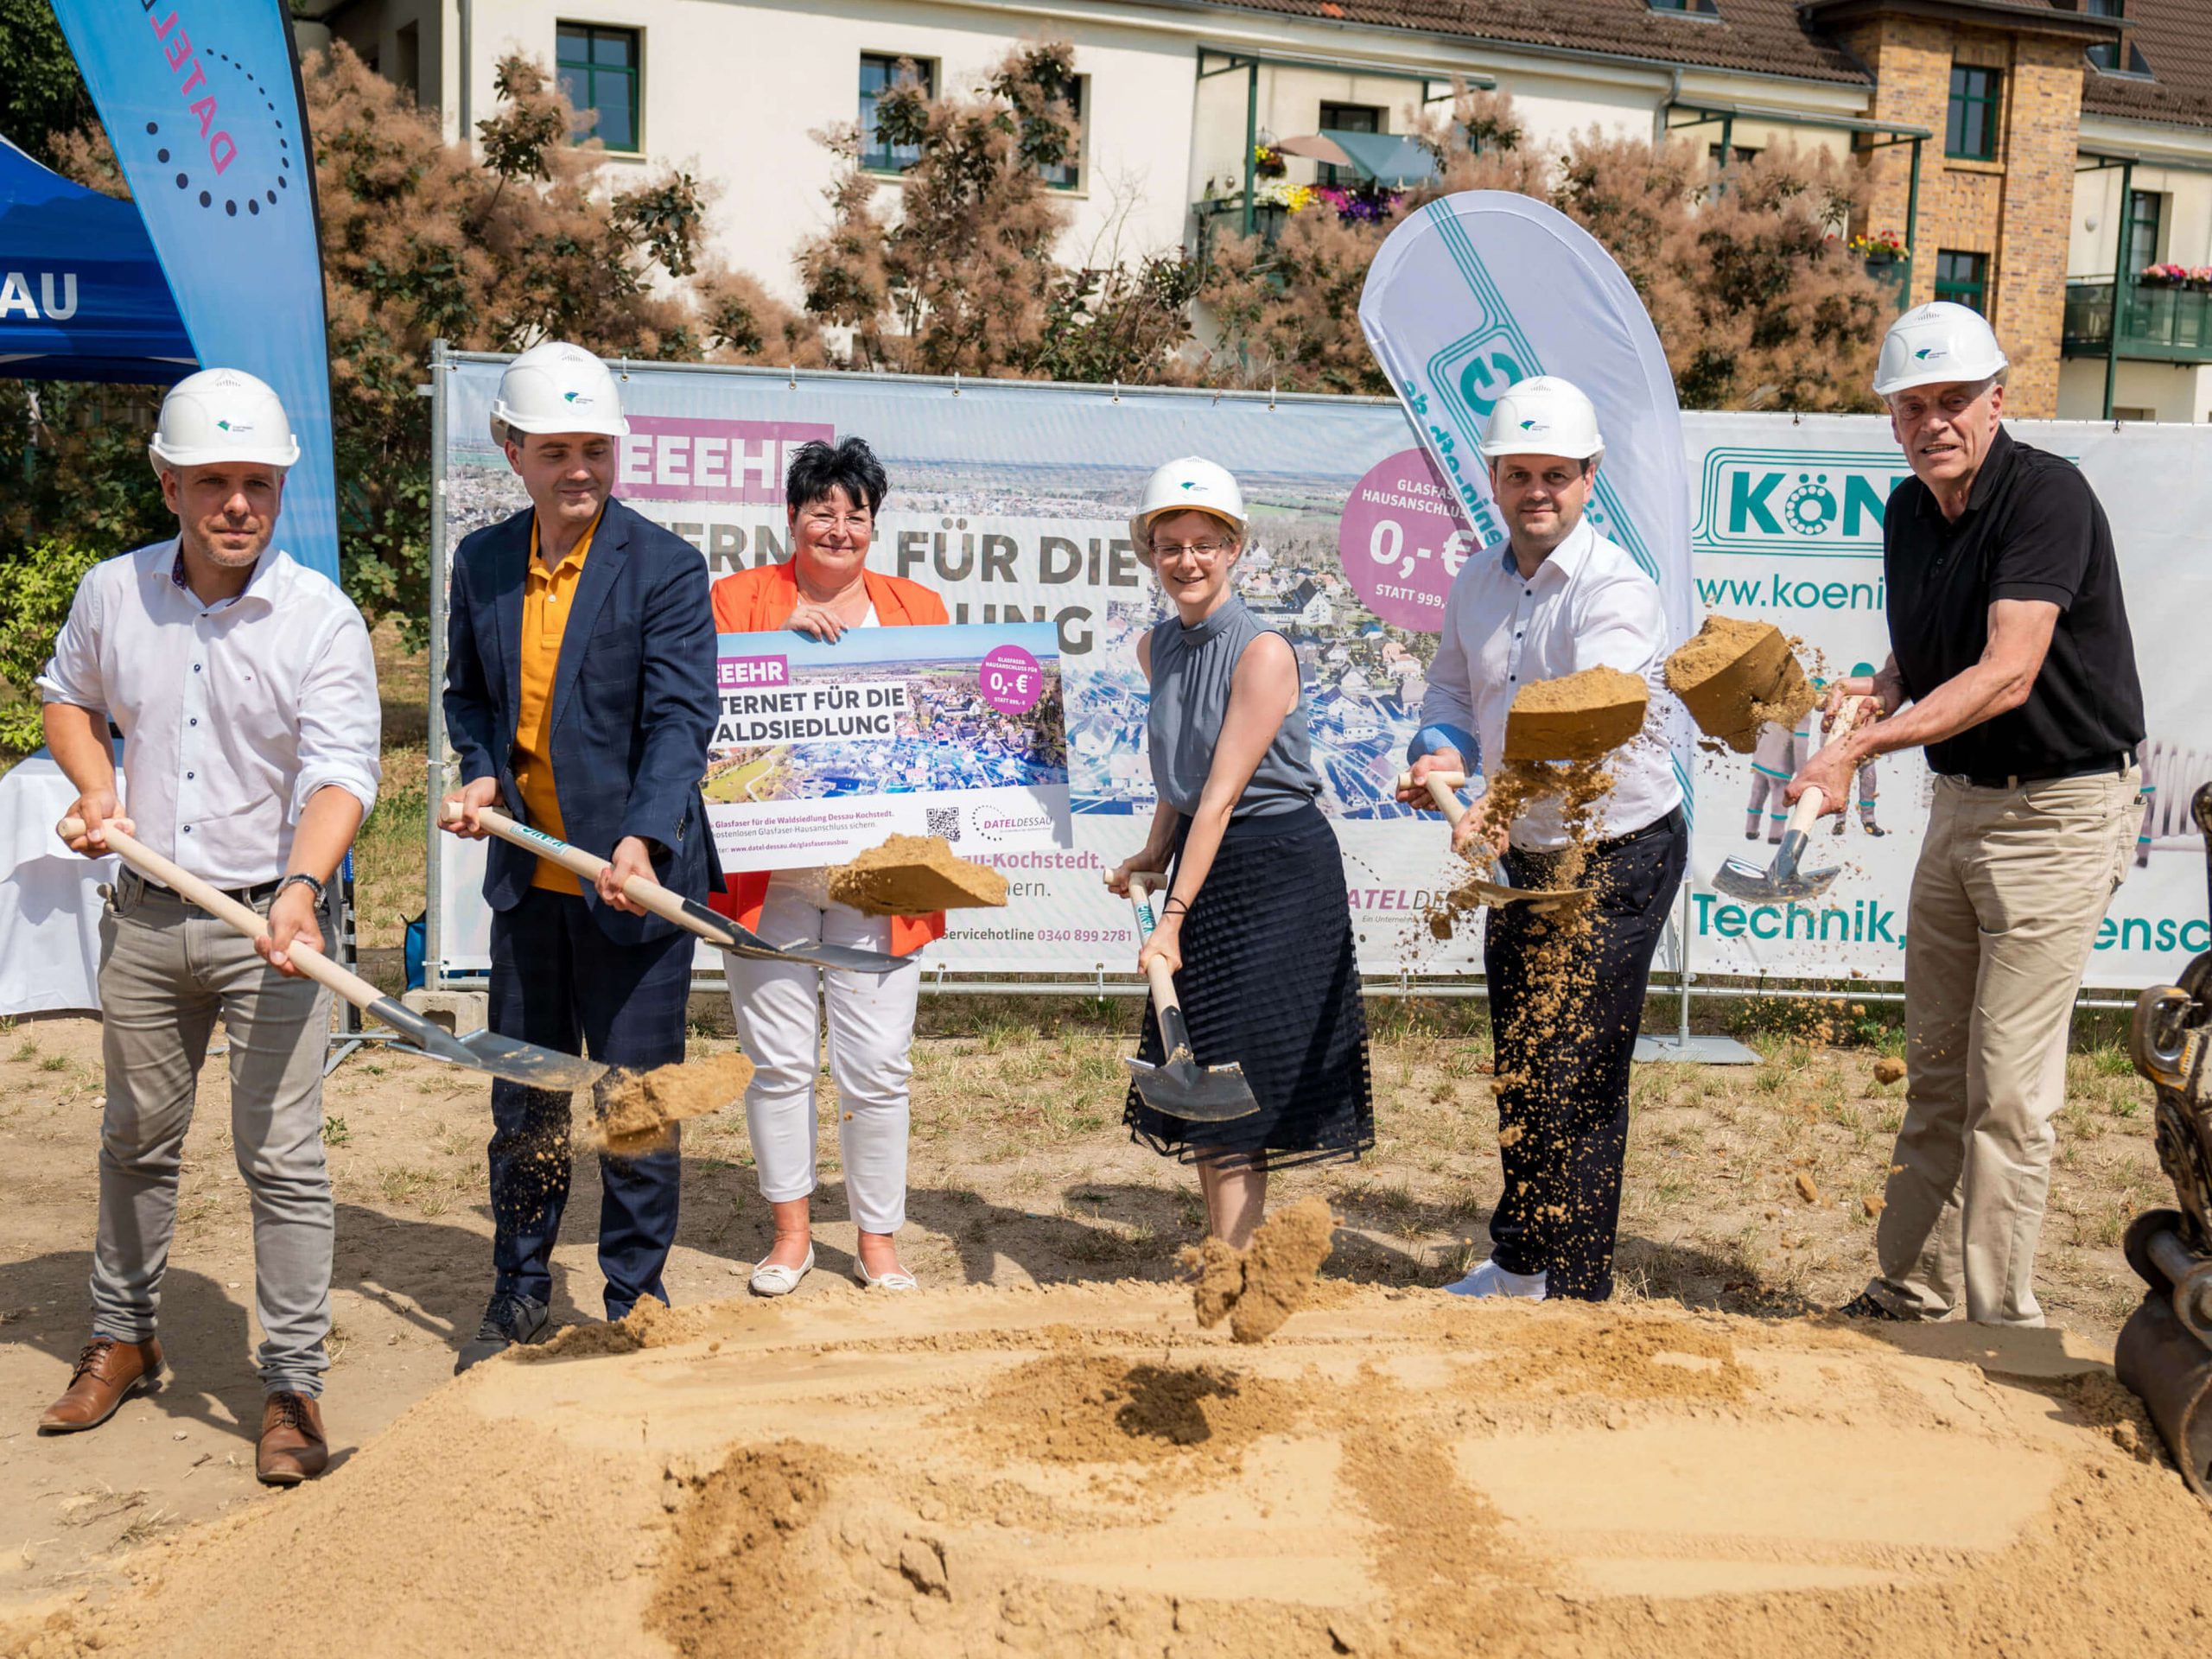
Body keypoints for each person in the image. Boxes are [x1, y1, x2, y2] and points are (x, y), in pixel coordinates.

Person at [35, 369, 381, 1484]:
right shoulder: (112, 592)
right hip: (143, 916)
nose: (240, 504)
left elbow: (341, 774)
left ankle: (291, 1386)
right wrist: (95, 784)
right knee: (135, 1140)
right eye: (217, 482)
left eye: (260, 483)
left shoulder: (322, 619)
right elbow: (67, 695)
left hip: (270, 924)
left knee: (280, 1160)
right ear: (170, 483)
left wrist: (299, 887)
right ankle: (123, 1336)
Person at [1789, 302, 2145, 1327]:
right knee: (1938, 1066)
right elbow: (1935, 649)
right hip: (1961, 806)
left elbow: (2004, 672)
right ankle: (1907, 1291)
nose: (1933, 421)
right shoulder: (1909, 512)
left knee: (2008, 1090)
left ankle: (1998, 1328)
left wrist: (1854, 748)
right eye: (1913, 406)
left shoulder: (2049, 499)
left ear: (1997, 400)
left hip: (2060, 811)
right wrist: (1877, 690)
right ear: (1893, 419)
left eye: (1953, 400)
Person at [440, 341, 716, 1367]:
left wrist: (640, 838)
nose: (580, 471)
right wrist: (476, 771)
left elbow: (682, 722)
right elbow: (469, 698)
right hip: (530, 884)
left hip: (632, 886)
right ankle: (518, 1287)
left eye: (596, 448)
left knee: (636, 1103)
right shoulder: (481, 563)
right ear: (512, 449)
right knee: (526, 1097)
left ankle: (633, 1298)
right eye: (556, 450)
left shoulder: (666, 567)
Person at [1396, 376, 1686, 1304]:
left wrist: (1492, 791)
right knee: (1522, 1057)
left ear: (1589, 477)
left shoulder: (1617, 591)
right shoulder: (1475, 583)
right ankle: (1520, 1263)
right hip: (1525, 856)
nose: (1537, 492)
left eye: (1555, 474)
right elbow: (1448, 691)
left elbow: (1590, 718)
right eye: (1518, 473)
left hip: (1619, 852)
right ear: (1492, 476)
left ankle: (1579, 1286)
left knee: (1582, 1063)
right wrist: (1438, 752)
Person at [1106, 457, 1372, 1248]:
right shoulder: (1157, 647)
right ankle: (1228, 1250)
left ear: (1234, 549)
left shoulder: (1264, 653)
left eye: (1204, 544)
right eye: (1170, 544)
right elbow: (1182, 774)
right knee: (1207, 1060)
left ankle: (1235, 1257)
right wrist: (1154, 847)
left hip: (1275, 869)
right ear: (1151, 553)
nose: (1186, 560)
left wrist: (1173, 921)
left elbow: (1222, 795)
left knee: (1243, 1066)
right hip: (1202, 848)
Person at [706, 437, 946, 1294]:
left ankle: (878, 1240)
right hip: (767, 875)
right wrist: (779, 645)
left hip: (879, 879)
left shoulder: (919, 609)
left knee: (876, 1066)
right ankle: (791, 1235)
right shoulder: (736, 600)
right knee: (776, 1062)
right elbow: (702, 703)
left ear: (874, 527)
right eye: (823, 511)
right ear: (792, 518)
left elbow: (946, 731)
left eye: (857, 514)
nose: (839, 528)